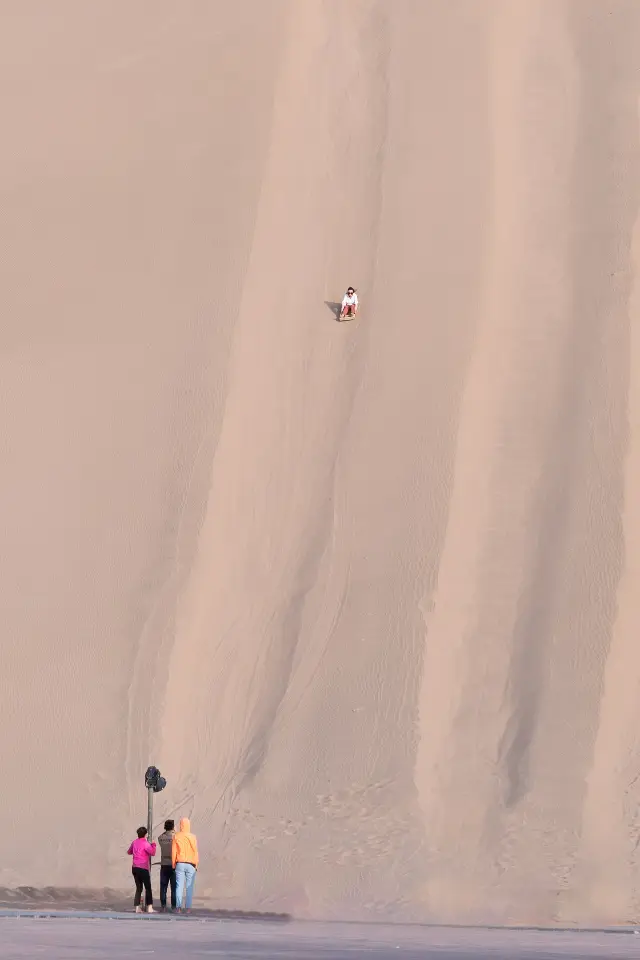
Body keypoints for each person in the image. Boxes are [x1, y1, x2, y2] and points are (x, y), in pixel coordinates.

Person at [172, 817, 199, 913]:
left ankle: (178, 908)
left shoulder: (176, 836)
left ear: (181, 825)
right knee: (189, 886)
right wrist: (196, 863)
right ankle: (188, 908)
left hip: (180, 863)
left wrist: (173, 864)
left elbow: (174, 851)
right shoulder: (193, 837)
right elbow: (195, 851)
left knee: (179, 886)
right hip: (191, 864)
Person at [127, 826, 156, 914]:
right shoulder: (145, 843)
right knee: (148, 887)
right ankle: (149, 907)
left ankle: (137, 907)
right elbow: (152, 853)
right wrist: (153, 845)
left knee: (139, 888)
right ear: (145, 834)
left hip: (135, 867)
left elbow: (129, 852)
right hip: (143, 867)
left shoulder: (134, 842)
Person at [157, 819, 177, 912]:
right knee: (174, 887)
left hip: (164, 864)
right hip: (173, 864)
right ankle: (173, 906)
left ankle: (163, 906)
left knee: (163, 886)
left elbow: (161, 836)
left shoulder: (161, 837)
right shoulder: (175, 836)